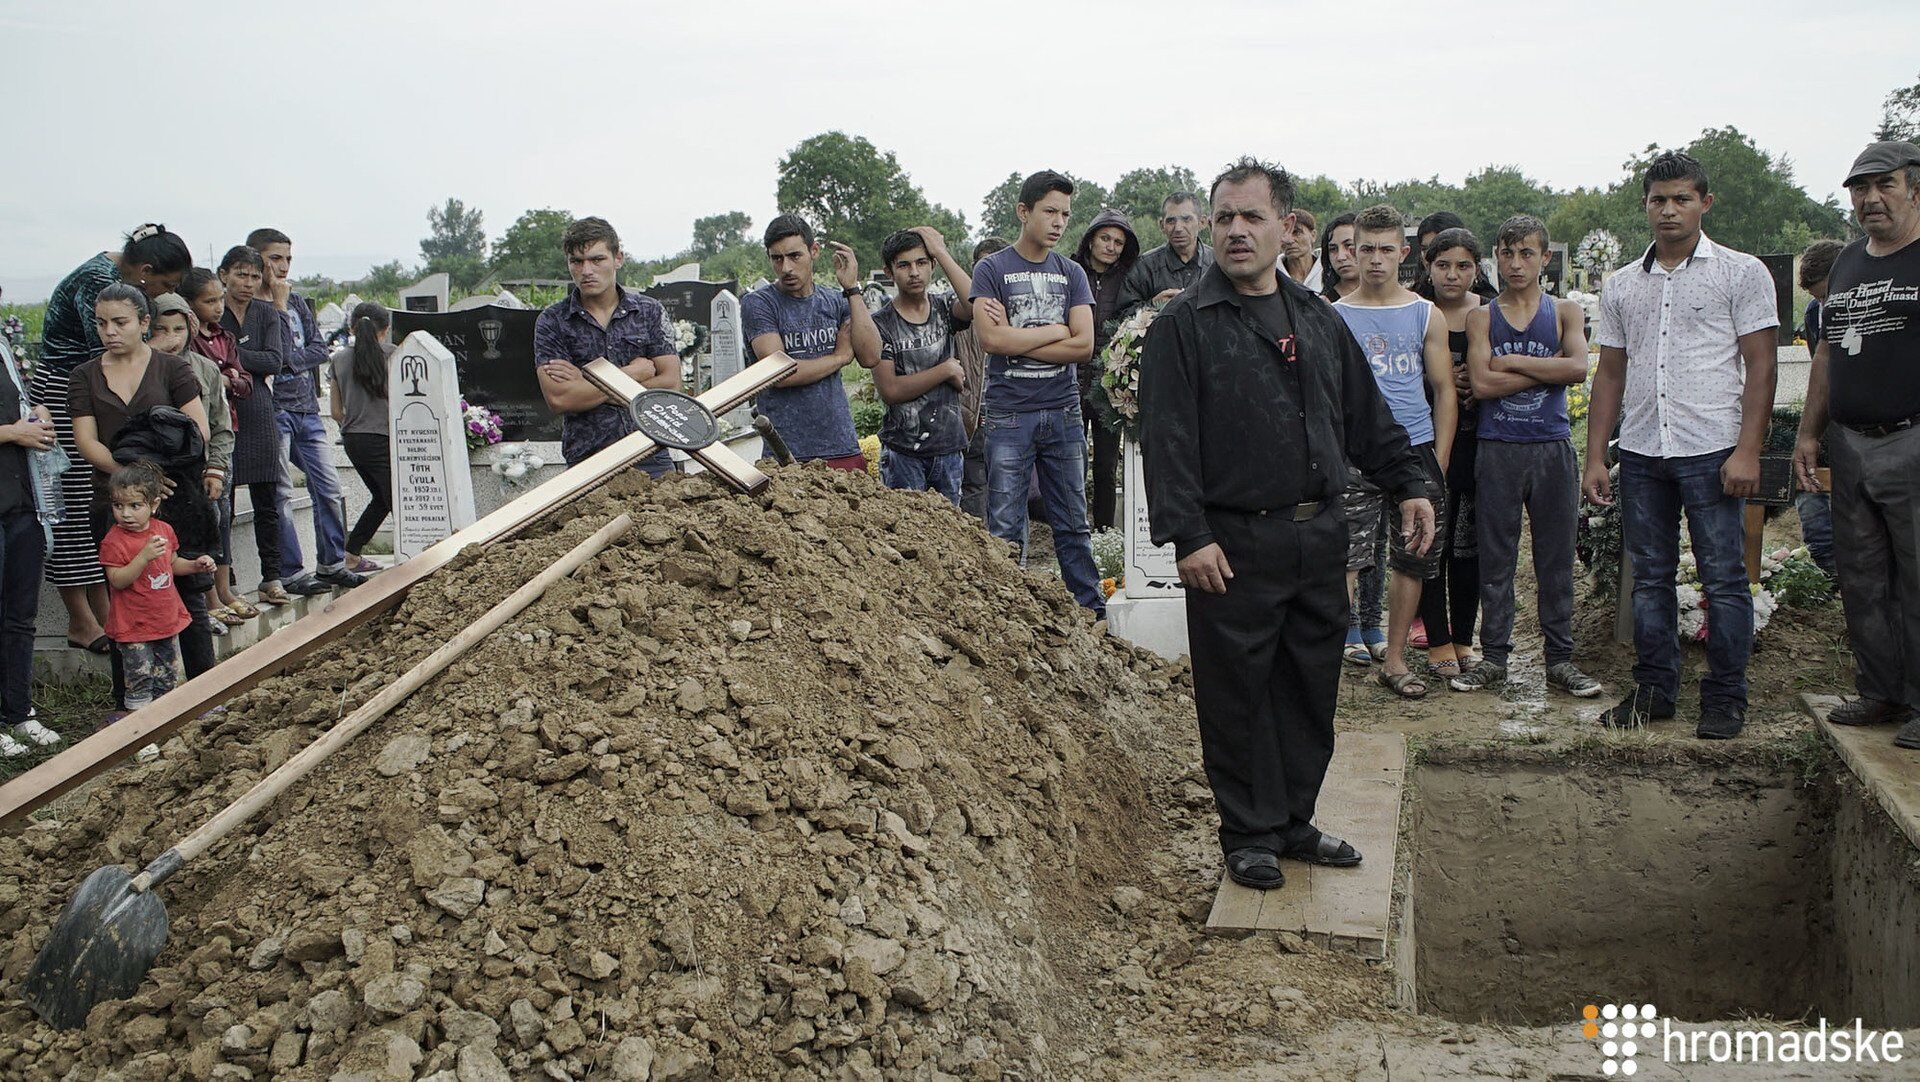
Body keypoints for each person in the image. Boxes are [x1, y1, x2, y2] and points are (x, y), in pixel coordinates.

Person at [1140, 158, 1434, 890]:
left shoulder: (1317, 319)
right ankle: (1247, 832)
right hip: (1233, 544)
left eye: (1252, 216)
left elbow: (1366, 418)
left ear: (1288, 227)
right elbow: (1167, 436)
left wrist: (1410, 484)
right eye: (1224, 217)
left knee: (1307, 684)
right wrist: (1190, 534)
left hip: (1318, 534)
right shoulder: (1185, 323)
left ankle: (1293, 820)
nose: (1236, 230)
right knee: (1237, 691)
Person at [1585, 151, 1779, 739]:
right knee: (1650, 578)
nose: (1669, 211)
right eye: (1658, 200)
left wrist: (1748, 451)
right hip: (1643, 450)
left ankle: (1724, 697)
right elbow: (1611, 373)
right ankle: (1654, 690)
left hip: (1713, 449)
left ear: (1704, 203)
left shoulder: (1741, 273)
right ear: (1645, 205)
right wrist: (1597, 455)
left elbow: (1762, 365)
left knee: (1723, 578)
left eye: (1681, 199)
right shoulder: (1622, 283)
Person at [1793, 140, 1920, 749]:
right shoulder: (1845, 263)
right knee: (1861, 574)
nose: (1871, 199)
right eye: (1859, 189)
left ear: (1914, 187)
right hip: (1850, 442)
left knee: (1917, 576)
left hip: (1913, 439)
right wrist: (1809, 432)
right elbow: (1825, 352)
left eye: (1884, 186)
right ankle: (1881, 691)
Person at [1453, 217, 1603, 697]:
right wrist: (1548, 370)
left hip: (1551, 447)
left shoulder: (1565, 312)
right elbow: (1482, 385)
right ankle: (1494, 656)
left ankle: (1560, 658)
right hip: (1498, 449)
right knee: (1496, 559)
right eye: (1507, 253)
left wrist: (1511, 361)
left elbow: (1578, 368)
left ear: (1544, 259)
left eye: (1526, 254)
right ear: (1497, 258)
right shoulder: (1482, 317)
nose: (1516, 264)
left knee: (1555, 559)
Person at [36, 225, 192, 657]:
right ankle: (82, 620)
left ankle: (106, 608)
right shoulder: (97, 284)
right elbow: (104, 350)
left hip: (103, 391)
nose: (163, 296)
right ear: (144, 272)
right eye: (164, 285)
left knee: (109, 498)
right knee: (72, 497)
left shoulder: (113, 274)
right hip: (67, 392)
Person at [1333, 205, 1457, 699]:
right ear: (1352, 251)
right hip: (1354, 456)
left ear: (1404, 253)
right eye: (1366, 249)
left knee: (1413, 557)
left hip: (1415, 449)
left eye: (1387, 249)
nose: (1376, 259)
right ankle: (1329, 662)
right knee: (1344, 557)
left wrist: (1439, 460)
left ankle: (1398, 659)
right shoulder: (1334, 316)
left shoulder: (1426, 313)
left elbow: (1444, 389)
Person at [69, 285, 210, 712]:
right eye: (101, 323)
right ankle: (129, 705)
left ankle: (207, 693)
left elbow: (197, 430)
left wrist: (157, 478)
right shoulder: (85, 375)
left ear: (144, 323)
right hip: (113, 501)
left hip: (171, 496)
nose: (109, 332)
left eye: (120, 322)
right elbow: (85, 441)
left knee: (186, 593)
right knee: (124, 603)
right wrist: (131, 479)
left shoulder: (171, 369)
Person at [971, 170, 1105, 618]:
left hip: (1063, 413)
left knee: (1072, 524)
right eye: (1049, 211)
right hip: (1010, 415)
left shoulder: (1072, 272)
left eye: (1065, 213)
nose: (1059, 222)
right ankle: (1007, 619)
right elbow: (992, 341)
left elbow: (1084, 346)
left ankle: (1092, 616)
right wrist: (1054, 329)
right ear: (1023, 212)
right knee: (1005, 526)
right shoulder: (992, 269)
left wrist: (1019, 333)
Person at [249, 228, 363, 591]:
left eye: (287, 259)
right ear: (257, 259)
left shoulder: (298, 302)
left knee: (329, 487)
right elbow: (273, 358)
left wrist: (288, 361)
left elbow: (317, 350)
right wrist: (279, 310)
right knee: (282, 493)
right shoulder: (256, 307)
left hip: (306, 410)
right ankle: (291, 571)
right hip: (274, 411)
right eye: (274, 258)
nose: (282, 267)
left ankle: (331, 562)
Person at [533, 217, 680, 476]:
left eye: (597, 259)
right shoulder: (553, 321)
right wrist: (631, 374)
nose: (586, 270)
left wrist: (585, 382)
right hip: (588, 457)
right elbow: (560, 398)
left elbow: (670, 384)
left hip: (650, 449)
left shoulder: (648, 311)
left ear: (618, 258)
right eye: (577, 261)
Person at [741, 215, 878, 468]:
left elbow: (870, 356)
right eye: (777, 258)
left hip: (840, 443)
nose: (786, 268)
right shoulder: (759, 304)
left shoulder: (835, 301)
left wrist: (852, 289)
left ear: (813, 251)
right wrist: (838, 358)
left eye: (795, 256)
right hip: (787, 452)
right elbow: (780, 373)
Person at [1411, 227, 1488, 682]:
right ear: (1428, 266)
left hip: (1479, 442)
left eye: (1463, 266)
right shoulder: (1417, 313)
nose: (1452, 274)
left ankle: (1464, 637)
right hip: (1430, 440)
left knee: (1468, 547)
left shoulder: (1489, 314)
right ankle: (1436, 639)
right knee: (1430, 545)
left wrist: (1479, 385)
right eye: (1443, 265)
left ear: (1477, 269)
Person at [147, 293, 234, 661]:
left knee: (193, 583)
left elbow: (220, 426)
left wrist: (215, 467)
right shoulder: (140, 370)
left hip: (194, 486)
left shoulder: (205, 369)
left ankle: (204, 680)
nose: (172, 337)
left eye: (179, 328)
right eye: (161, 329)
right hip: (147, 488)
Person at [865, 228, 973, 504]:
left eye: (921, 262)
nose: (914, 272)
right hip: (904, 453)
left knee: (951, 534)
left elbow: (974, 305)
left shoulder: (944, 308)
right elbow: (890, 389)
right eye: (904, 265)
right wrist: (945, 370)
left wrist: (941, 251)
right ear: (889, 272)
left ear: (932, 266)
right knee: (908, 537)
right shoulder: (881, 324)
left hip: (948, 447)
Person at [98, 461, 214, 712]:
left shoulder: (164, 530)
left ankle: (163, 724)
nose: (125, 514)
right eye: (118, 506)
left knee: (166, 677)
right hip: (134, 627)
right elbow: (117, 580)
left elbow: (171, 564)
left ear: (153, 504)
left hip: (164, 621)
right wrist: (143, 557)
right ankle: (139, 733)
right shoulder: (114, 540)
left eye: (134, 506)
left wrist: (196, 565)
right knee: (139, 680)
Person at [216, 247, 294, 608]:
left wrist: (229, 357)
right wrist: (242, 359)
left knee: (268, 500)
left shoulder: (266, 313)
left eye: (253, 276)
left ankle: (272, 576)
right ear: (224, 275)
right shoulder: (213, 312)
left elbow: (275, 361)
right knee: (223, 503)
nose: (247, 283)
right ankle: (224, 579)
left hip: (259, 411)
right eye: (240, 275)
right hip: (224, 411)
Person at [183, 268, 259, 625]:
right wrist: (228, 377)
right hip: (192, 450)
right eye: (208, 301)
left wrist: (232, 377)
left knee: (224, 517)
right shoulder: (189, 347)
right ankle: (210, 596)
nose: (216, 307)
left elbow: (244, 383)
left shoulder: (224, 337)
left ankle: (225, 589)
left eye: (218, 300)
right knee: (207, 521)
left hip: (222, 438)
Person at [0, 333, 62, 756]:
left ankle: (19, 712)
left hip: (22, 500)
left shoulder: (5, 345)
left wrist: (35, 414)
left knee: (20, 614)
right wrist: (12, 432)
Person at [1071, 208, 1141, 530]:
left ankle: (1102, 532)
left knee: (1106, 466)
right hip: (1069, 380)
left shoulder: (1129, 278)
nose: (1111, 246)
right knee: (1071, 462)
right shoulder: (1070, 271)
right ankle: (1073, 529)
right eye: (1105, 238)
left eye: (1118, 241)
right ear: (1090, 240)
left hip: (1109, 384)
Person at [1793, 239, 1846, 578]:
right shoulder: (1815, 314)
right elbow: (1821, 367)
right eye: (1817, 298)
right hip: (1833, 418)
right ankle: (1826, 564)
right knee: (1809, 484)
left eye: (1827, 295)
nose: (1823, 304)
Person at [332, 302, 395, 567]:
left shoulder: (338, 358)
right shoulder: (393, 354)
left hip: (353, 439)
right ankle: (415, 553)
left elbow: (336, 411)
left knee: (382, 498)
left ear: (351, 328)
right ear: (386, 329)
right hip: (381, 437)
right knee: (396, 498)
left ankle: (352, 552)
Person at [956, 238, 1009, 519]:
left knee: (1009, 492)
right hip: (972, 420)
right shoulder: (962, 315)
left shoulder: (1018, 313)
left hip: (1009, 418)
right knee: (973, 491)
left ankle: (1015, 558)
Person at [1119, 191, 1214, 319]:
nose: (1178, 228)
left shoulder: (1219, 262)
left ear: (1202, 222)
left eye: (1186, 219)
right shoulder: (1145, 267)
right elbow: (1121, 316)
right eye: (1171, 221)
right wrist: (1153, 305)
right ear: (1162, 225)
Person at [1320, 212, 1360, 302]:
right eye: (1333, 249)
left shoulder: (1393, 298)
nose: (1340, 257)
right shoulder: (1324, 304)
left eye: (1349, 245)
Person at [1280, 207, 1321, 291]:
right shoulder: (1271, 275)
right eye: (1284, 233)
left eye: (1296, 232)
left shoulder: (1329, 273)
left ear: (1313, 235)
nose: (1289, 240)